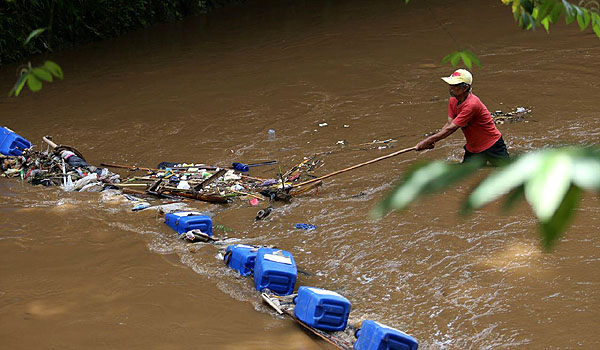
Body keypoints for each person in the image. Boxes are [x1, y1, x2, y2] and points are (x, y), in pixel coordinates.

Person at [415, 69, 509, 166]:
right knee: (467, 176)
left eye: (454, 85)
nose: (450, 88)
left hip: (492, 145)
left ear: (465, 88)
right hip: (473, 148)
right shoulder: (453, 100)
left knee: (509, 174)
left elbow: (451, 128)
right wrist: (432, 140)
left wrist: (428, 141)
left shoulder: (472, 104)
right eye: (450, 84)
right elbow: (449, 124)